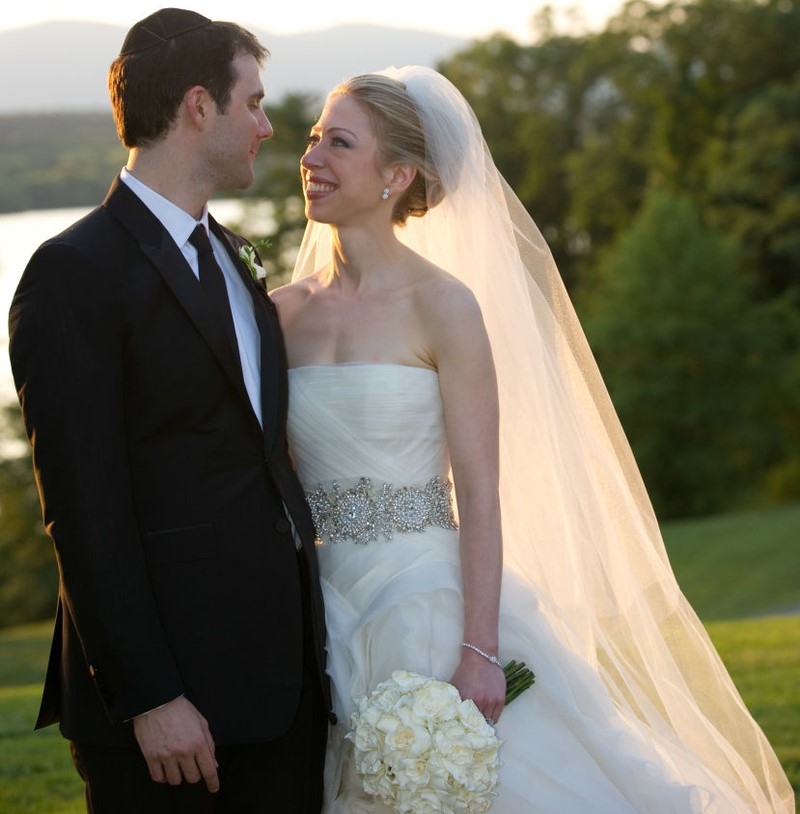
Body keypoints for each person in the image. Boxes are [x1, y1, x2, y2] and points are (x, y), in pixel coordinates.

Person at [270, 66, 795, 812]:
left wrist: (480, 651)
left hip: (426, 601)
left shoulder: (443, 306)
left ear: (397, 175)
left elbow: (480, 491)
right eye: (315, 137)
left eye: (339, 143)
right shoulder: (277, 314)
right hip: (317, 611)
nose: (311, 157)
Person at [8, 8, 331, 813]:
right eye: (252, 103)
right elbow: (82, 508)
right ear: (198, 105)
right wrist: (150, 697)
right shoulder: (73, 272)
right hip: (170, 717)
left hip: (280, 694)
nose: (266, 125)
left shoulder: (228, 255)